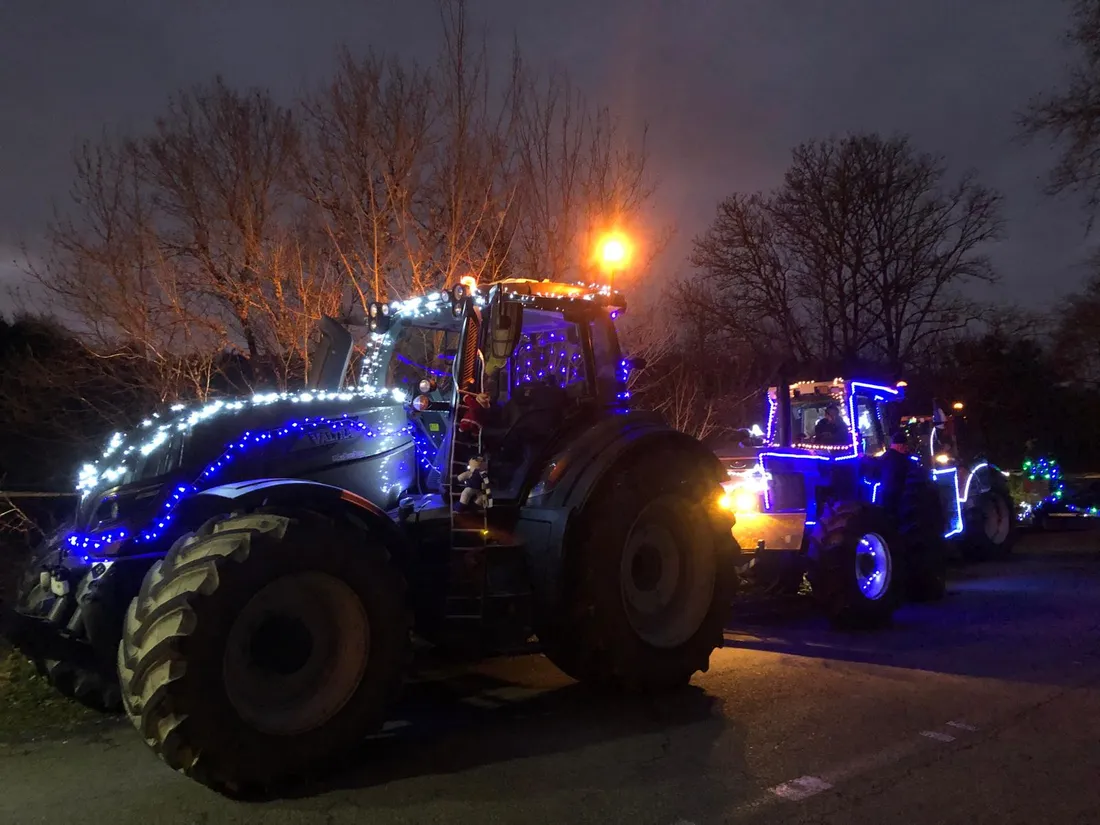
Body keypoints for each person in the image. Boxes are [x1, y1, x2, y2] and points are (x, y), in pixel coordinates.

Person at [879, 430, 912, 514]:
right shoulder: (902, 459)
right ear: (901, 445)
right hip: (899, 494)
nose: (906, 448)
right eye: (905, 445)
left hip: (886, 493)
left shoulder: (884, 456)